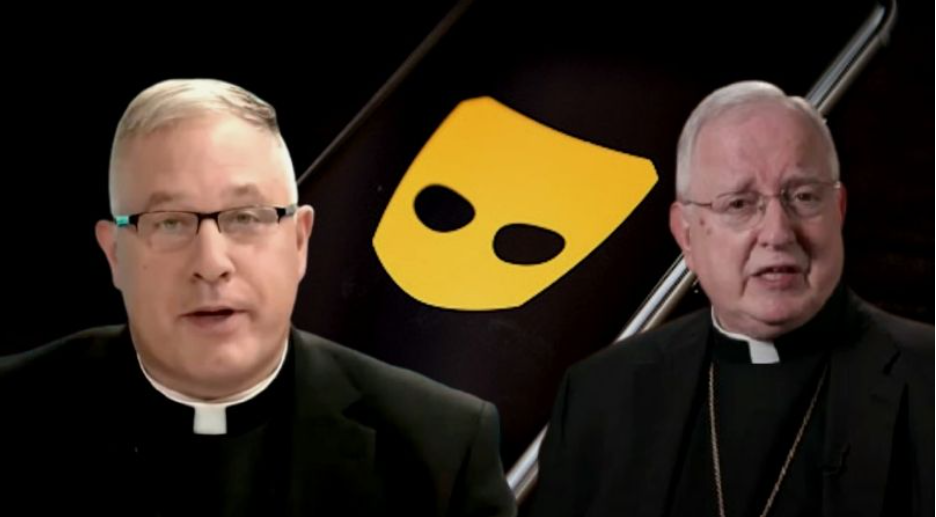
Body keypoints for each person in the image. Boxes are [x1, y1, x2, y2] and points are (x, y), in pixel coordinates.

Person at [0, 78, 515, 517]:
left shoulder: (440, 450)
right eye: (170, 222)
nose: (211, 262)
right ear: (115, 254)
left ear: (299, 242)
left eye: (245, 218)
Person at [530, 81, 933, 517]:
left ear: (838, 210)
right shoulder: (598, 397)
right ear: (686, 234)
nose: (777, 233)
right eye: (739, 204)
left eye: (803, 197)